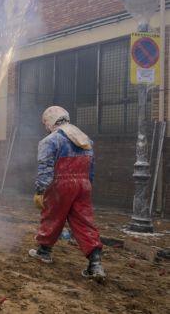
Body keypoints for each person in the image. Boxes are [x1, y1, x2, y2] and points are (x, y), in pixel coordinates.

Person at [28, 106, 106, 281]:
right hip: (83, 185)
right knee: (85, 223)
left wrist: (40, 190)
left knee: (52, 217)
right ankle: (95, 264)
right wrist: (86, 186)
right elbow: (91, 170)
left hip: (61, 185)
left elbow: (45, 169)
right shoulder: (85, 139)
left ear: (50, 121)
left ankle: (44, 252)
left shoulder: (50, 141)